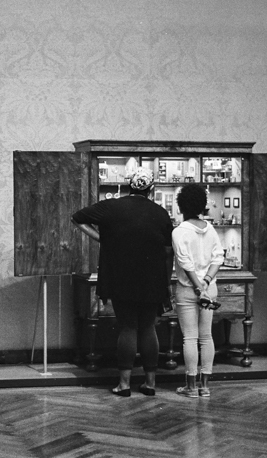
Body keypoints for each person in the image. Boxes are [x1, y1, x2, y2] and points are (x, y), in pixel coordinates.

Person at [72, 167, 173, 397]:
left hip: (120, 276)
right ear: (152, 188)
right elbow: (168, 252)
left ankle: (124, 384)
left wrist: (103, 239)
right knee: (148, 328)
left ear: (128, 185)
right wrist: (166, 283)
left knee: (127, 326)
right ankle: (150, 383)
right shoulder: (160, 213)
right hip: (153, 279)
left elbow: (77, 218)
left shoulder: (111, 207)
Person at [172, 183, 224, 398]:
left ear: (181, 206)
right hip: (209, 289)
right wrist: (206, 283)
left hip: (187, 289)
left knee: (190, 338)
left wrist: (196, 286)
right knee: (206, 337)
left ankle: (191, 387)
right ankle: (205, 386)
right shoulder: (210, 228)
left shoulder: (179, 231)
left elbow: (185, 263)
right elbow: (218, 257)